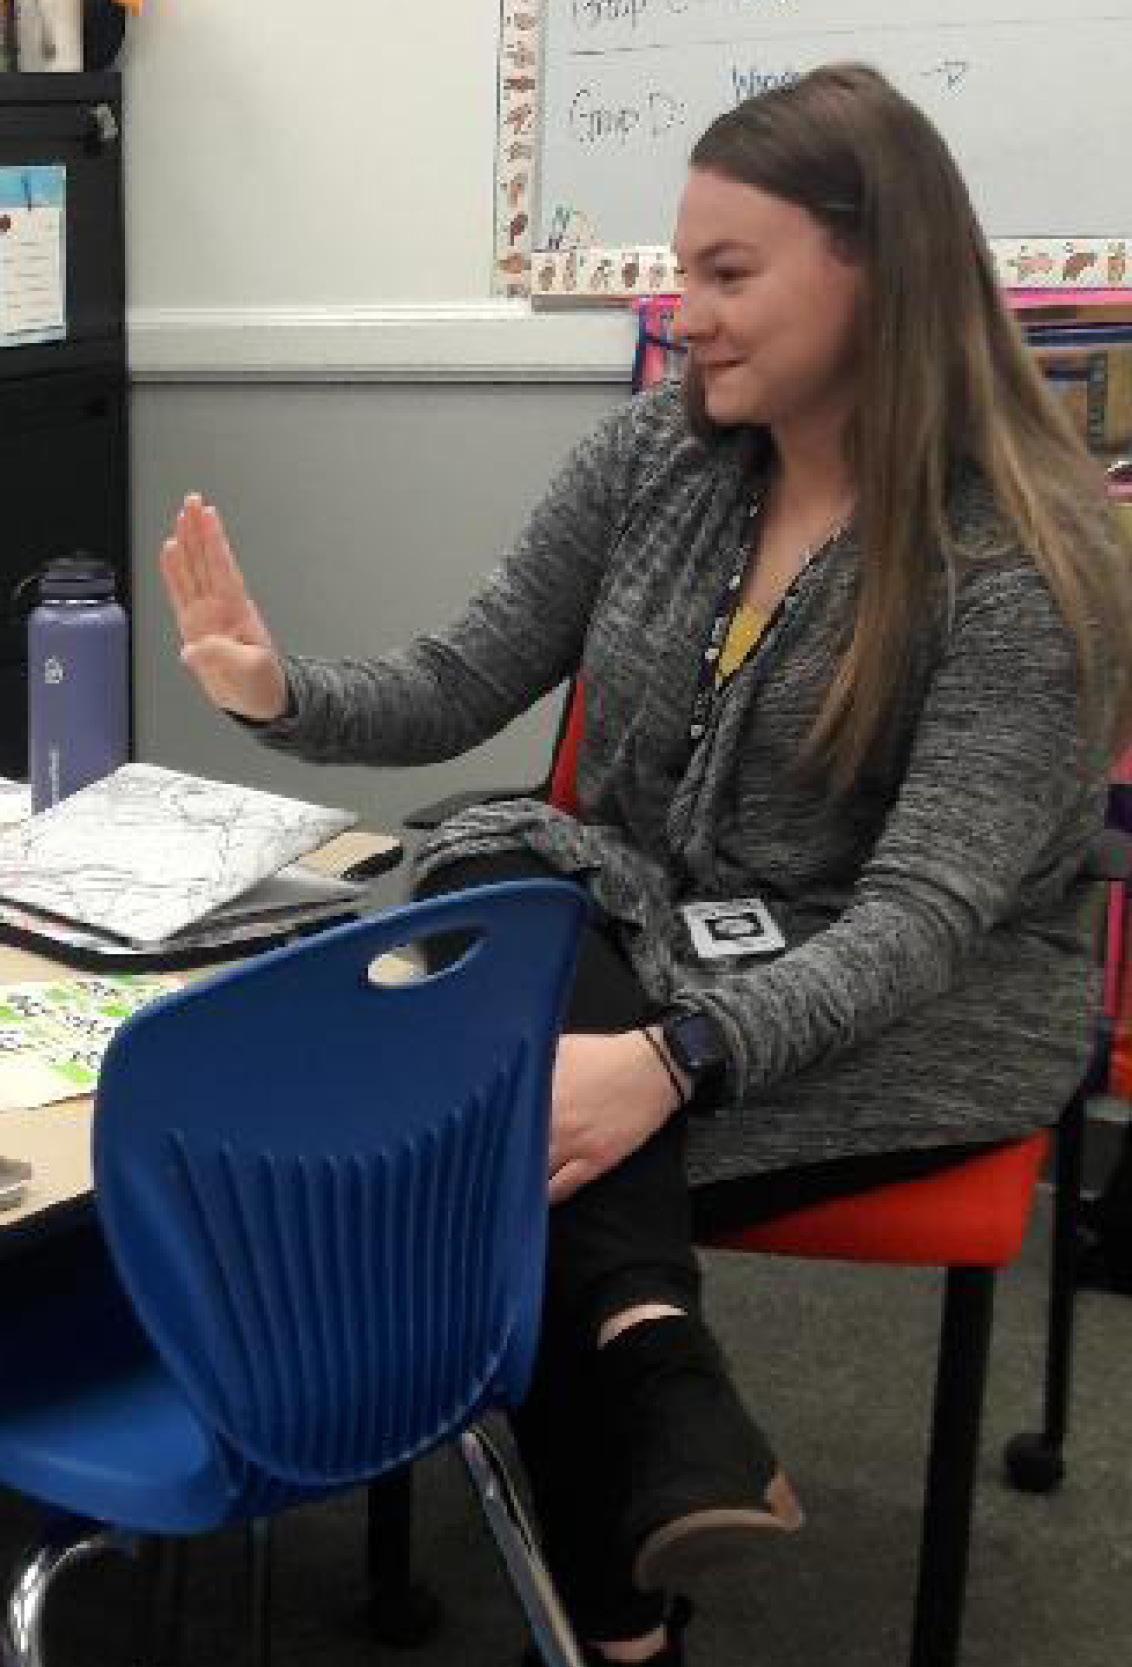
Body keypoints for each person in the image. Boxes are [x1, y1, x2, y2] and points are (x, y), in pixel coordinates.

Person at [159, 65, 1132, 1667]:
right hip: (647, 930)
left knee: (499, 1118)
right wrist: (277, 687)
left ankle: (616, 1598)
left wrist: (674, 1060)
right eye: (682, 271)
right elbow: (461, 678)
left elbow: (922, 916)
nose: (685, 314)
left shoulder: (1021, 556)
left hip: (918, 999)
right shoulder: (654, 461)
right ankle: (656, 1379)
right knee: (509, 874)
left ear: (878, 268)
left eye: (728, 274)